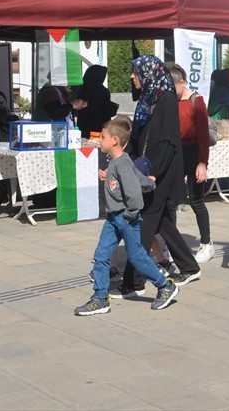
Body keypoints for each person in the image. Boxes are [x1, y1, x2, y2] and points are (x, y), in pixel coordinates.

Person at [112, 56, 201, 298]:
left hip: (158, 174)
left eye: (135, 72)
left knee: (142, 227)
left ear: (148, 73)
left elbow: (168, 141)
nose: (132, 76)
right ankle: (189, 266)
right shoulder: (150, 98)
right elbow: (140, 136)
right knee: (161, 222)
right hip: (148, 170)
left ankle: (134, 282)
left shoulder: (166, 99)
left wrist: (152, 174)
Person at [74, 116, 180, 314]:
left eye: (103, 137)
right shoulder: (120, 162)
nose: (100, 140)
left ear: (114, 140)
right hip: (114, 218)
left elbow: (133, 194)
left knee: (138, 257)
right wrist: (149, 183)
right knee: (101, 255)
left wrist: (131, 213)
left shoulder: (121, 163)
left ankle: (165, 286)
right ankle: (100, 298)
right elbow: (138, 178)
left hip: (125, 217)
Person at [168, 63, 215, 264]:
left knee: (196, 200)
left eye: (173, 87)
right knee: (170, 201)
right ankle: (171, 245)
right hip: (175, 154)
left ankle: (206, 243)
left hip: (194, 153)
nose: (171, 91)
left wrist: (202, 163)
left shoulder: (197, 101)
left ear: (182, 82)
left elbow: (203, 136)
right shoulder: (169, 101)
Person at [72, 65, 119, 137]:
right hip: (99, 128)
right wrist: (114, 107)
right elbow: (108, 109)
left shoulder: (81, 90)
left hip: (83, 127)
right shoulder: (102, 91)